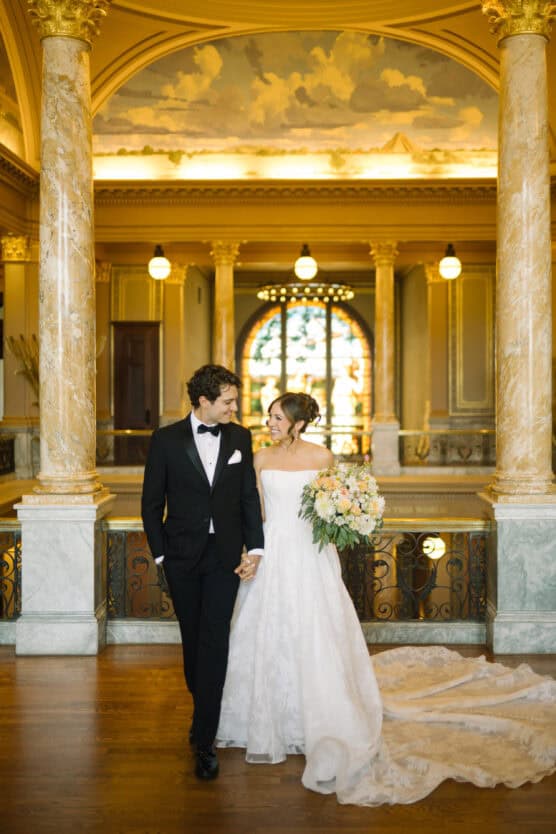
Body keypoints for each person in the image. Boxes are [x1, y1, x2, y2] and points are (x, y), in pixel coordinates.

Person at [217, 391, 556, 805]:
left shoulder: (323, 458)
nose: (268, 423)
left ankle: (320, 714)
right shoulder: (260, 459)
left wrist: (345, 514)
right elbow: (258, 513)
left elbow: (328, 506)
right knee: (264, 628)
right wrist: (250, 551)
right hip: (272, 552)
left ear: (298, 423)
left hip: (310, 553)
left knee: (315, 630)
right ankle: (264, 717)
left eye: (275, 418)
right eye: (267, 416)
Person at [141, 364, 264, 781]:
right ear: (204, 401)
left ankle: (204, 739)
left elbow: (248, 495)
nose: (235, 407)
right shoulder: (166, 439)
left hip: (224, 557)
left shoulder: (240, 437)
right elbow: (150, 503)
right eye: (228, 401)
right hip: (180, 557)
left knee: (214, 640)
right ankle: (204, 707)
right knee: (192, 642)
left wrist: (256, 546)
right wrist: (160, 557)